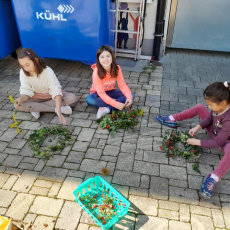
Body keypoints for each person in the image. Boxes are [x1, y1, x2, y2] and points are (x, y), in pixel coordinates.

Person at [156, 82, 230, 199]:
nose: (209, 107)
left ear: (224, 102)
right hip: (214, 131)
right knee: (200, 108)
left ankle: (214, 178)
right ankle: (172, 118)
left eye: (211, 105)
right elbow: (210, 118)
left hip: (224, 141)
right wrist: (198, 127)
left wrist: (198, 142)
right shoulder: (218, 107)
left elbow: (218, 142)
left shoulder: (228, 118)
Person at [15, 48, 77, 125]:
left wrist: (57, 105)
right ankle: (56, 109)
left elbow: (55, 90)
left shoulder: (47, 71)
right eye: (23, 66)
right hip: (35, 97)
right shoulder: (23, 72)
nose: (26, 69)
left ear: (36, 60)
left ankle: (36, 108)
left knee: (72, 98)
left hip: (50, 97)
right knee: (18, 105)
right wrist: (21, 99)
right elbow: (26, 91)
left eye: (27, 65)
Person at [86, 45, 134, 119]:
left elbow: (122, 85)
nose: (105, 59)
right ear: (98, 59)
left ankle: (106, 109)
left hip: (111, 91)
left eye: (108, 56)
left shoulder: (117, 68)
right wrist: (116, 104)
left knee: (131, 95)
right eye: (102, 57)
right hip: (98, 94)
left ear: (112, 57)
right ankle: (115, 102)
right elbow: (101, 93)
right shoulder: (96, 72)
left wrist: (129, 98)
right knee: (89, 99)